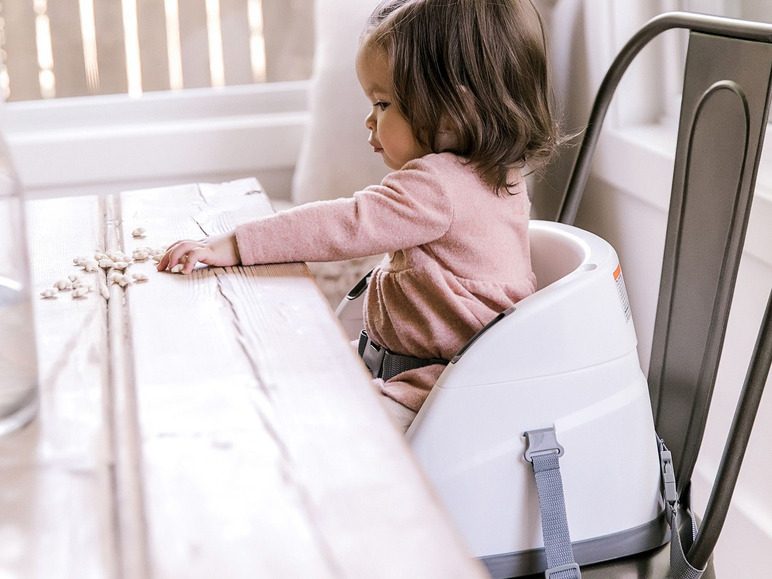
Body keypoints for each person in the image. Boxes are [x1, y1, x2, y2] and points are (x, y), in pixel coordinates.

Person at [158, 0, 562, 433]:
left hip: (436, 389)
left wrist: (237, 244)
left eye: (383, 103)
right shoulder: (501, 176)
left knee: (317, 427)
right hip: (417, 369)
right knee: (294, 373)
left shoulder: (437, 187)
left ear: (453, 111)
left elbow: (346, 223)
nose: (370, 120)